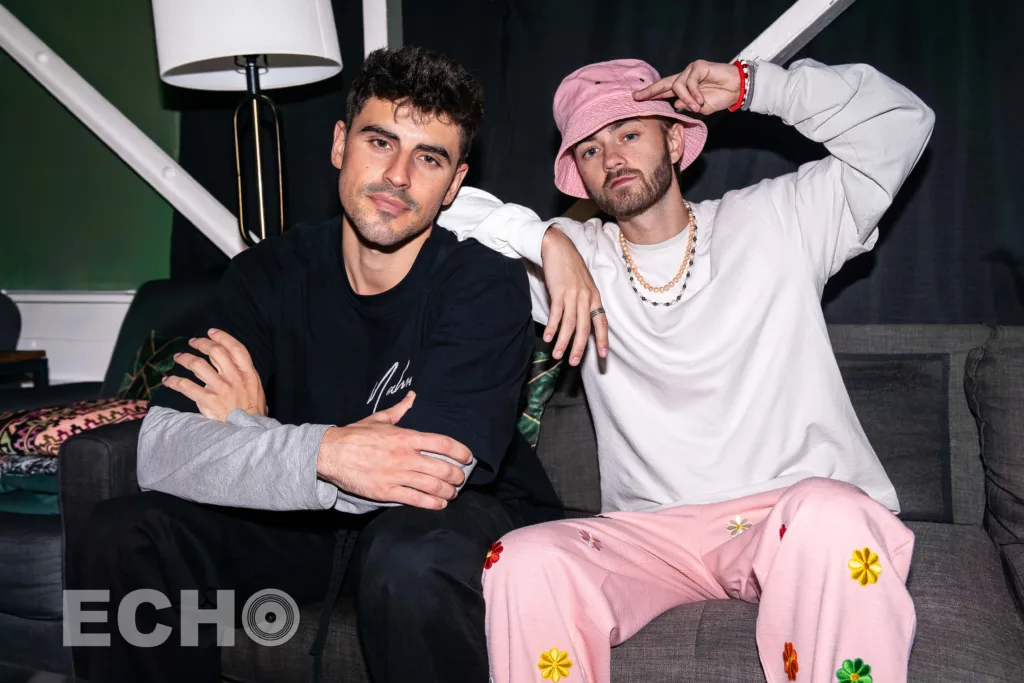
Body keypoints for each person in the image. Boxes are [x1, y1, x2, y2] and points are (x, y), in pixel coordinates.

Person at [70, 46, 562, 683]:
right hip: (306, 527)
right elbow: (161, 450)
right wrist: (326, 454)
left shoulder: (482, 283)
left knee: (407, 555)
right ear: (339, 144)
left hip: (457, 523)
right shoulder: (266, 274)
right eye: (379, 141)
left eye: (429, 158)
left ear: (454, 184)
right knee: (121, 531)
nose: (398, 176)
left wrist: (252, 434)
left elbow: (430, 474)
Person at [438, 55, 935, 682]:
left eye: (629, 133)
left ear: (675, 138)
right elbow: (421, 201)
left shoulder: (780, 219)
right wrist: (541, 240)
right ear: (578, 176)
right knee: (525, 559)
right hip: (652, 537)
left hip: (791, 518)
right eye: (589, 149)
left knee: (836, 516)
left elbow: (901, 124)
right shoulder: (572, 261)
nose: (611, 157)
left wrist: (759, 88)